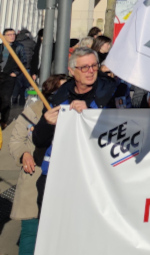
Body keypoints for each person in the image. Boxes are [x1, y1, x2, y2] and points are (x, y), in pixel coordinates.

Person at [32, 48, 130, 213]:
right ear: (71, 71)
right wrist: (46, 123)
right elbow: (39, 141)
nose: (91, 71)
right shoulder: (58, 97)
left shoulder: (113, 92)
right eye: (84, 67)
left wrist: (91, 115)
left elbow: (126, 130)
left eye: (94, 66)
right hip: (58, 178)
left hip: (98, 180)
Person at [9, 74, 67, 255]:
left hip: (62, 181)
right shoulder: (32, 112)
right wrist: (24, 154)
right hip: (34, 178)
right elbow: (16, 140)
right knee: (30, 233)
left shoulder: (73, 113)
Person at [1, 29, 27, 129]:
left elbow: (24, 62)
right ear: (4, 36)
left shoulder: (18, 47)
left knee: (6, 99)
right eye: (9, 34)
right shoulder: (1, 47)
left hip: (9, 76)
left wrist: (15, 73)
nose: (12, 36)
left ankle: (3, 121)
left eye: (13, 34)